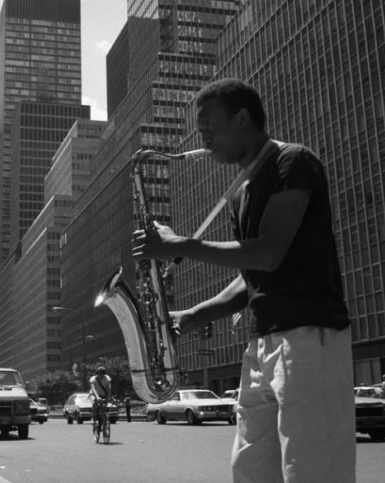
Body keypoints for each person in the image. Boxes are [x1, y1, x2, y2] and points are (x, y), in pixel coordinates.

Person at [132, 78, 355, 483]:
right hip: (262, 341)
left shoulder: (293, 162)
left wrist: (178, 245)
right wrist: (193, 316)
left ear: (243, 118)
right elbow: (252, 275)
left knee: (312, 472)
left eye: (210, 126)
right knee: (250, 472)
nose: (204, 138)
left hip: (309, 336)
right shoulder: (241, 189)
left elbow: (268, 253)